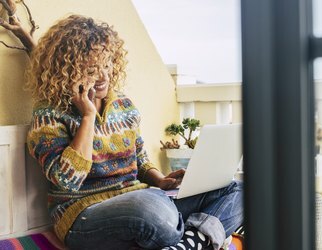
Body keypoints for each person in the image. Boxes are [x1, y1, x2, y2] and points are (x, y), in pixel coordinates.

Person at [26, 15, 243, 250]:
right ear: (68, 70)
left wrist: (160, 180)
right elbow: (67, 181)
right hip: (84, 216)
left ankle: (190, 243)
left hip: (143, 201)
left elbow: (139, 159)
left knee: (237, 189)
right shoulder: (48, 115)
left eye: (107, 65)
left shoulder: (123, 106)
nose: (103, 77)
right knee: (151, 208)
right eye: (91, 69)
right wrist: (87, 117)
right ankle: (205, 236)